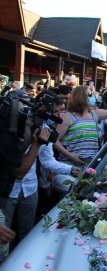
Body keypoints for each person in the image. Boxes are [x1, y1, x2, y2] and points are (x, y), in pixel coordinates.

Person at [0, 92, 79, 243]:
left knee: (27, 233)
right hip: (8, 191)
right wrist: (36, 143)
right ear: (42, 107)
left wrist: (70, 169)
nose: (57, 117)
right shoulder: (16, 127)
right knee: (4, 236)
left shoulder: (46, 131)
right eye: (55, 112)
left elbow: (47, 160)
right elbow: (18, 171)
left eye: (60, 112)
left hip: (30, 188)